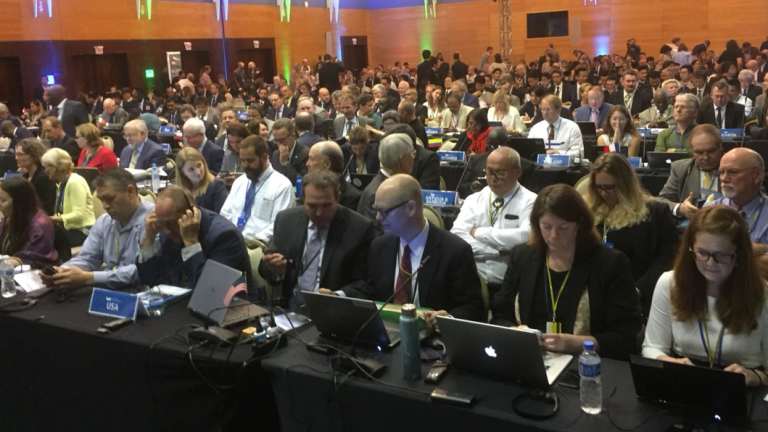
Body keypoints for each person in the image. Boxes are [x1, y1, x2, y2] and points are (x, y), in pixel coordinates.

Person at [492, 184, 642, 360]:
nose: (554, 236)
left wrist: (579, 344)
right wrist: (516, 332)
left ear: (579, 225)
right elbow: (500, 314)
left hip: (588, 363)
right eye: (546, 227)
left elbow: (626, 336)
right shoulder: (523, 256)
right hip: (529, 358)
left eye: (563, 228)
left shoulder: (610, 263)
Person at [643, 206, 768, 386]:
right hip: (684, 383)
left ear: (739, 254)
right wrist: (669, 362)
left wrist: (754, 377)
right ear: (690, 250)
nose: (710, 263)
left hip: (742, 388)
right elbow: (652, 347)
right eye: (702, 253)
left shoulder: (762, 294)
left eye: (721, 255)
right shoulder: (669, 283)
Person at [343, 174, 484, 323]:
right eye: (377, 210)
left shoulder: (455, 251)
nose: (378, 218)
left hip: (434, 340)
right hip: (387, 333)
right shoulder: (380, 246)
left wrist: (446, 319)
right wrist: (339, 295)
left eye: (384, 212)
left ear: (411, 208)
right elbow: (369, 289)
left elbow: (473, 309)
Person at [579, 153, 678, 316]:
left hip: (639, 294)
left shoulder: (655, 212)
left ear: (625, 185)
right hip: (595, 293)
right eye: (599, 187)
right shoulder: (589, 211)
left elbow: (667, 258)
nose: (603, 193)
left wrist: (638, 289)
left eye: (610, 187)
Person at [261, 170, 376, 309]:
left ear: (337, 198)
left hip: (333, 311)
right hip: (291, 309)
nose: (319, 213)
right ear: (302, 200)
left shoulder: (359, 229)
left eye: (326, 205)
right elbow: (266, 270)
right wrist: (274, 269)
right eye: (312, 206)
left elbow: (365, 285)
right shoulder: (286, 220)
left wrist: (338, 296)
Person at [45, 169, 153, 289]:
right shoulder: (104, 221)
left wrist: (90, 277)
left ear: (130, 191)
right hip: (108, 291)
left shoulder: (154, 221)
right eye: (101, 199)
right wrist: (63, 271)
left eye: (110, 199)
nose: (105, 206)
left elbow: (141, 271)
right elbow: (87, 258)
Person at [451, 147, 536, 293]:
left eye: (500, 172)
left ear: (517, 173)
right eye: (489, 172)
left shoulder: (532, 201)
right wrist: (497, 251)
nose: (493, 178)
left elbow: (525, 237)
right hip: (471, 280)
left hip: (510, 285)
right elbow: (457, 237)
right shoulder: (474, 199)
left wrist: (479, 233)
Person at [137, 185, 251, 290]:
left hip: (231, 308)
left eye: (170, 223)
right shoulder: (168, 233)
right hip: (179, 306)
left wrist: (191, 243)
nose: (166, 231)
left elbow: (211, 290)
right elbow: (151, 282)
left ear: (190, 212)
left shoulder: (225, 237)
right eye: (161, 224)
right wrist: (148, 241)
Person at [219, 135, 294, 245]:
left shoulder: (282, 186)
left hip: (259, 247)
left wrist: (249, 242)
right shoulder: (240, 182)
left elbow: (278, 227)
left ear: (264, 157)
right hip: (233, 242)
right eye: (242, 161)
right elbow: (225, 214)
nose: (245, 165)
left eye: (250, 161)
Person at [658, 124, 724, 219]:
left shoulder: (736, 168)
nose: (705, 157)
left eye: (711, 151)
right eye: (699, 153)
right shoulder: (680, 169)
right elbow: (661, 200)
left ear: (721, 148)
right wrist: (680, 208)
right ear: (692, 152)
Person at [706, 147, 768, 244]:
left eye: (733, 172)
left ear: (756, 175)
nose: (724, 179)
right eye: (721, 172)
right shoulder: (709, 210)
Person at [41, 148, 95, 247]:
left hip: (82, 231)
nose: (45, 171)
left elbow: (79, 214)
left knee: (44, 241)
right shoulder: (62, 183)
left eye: (47, 167)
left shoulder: (75, 182)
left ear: (57, 167)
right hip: (70, 229)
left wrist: (56, 218)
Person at [0, 176, 57, 267]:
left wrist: (13, 261)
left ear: (19, 202)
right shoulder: (10, 216)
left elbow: (34, 258)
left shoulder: (40, 225)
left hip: (30, 274)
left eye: (3, 200)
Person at [356, 133, 415, 220]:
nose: (414, 158)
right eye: (412, 154)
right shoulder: (377, 194)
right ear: (402, 159)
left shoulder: (392, 183)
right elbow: (378, 231)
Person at [305, 140, 360, 209]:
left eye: (311, 159)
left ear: (327, 164)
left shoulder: (352, 198)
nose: (307, 164)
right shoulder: (309, 189)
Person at [175, 147, 228, 213]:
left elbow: (221, 218)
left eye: (199, 165)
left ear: (204, 163)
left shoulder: (217, 186)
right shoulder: (179, 191)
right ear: (182, 173)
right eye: (191, 169)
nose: (198, 172)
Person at [15, 138, 56, 215]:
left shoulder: (44, 177)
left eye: (20, 154)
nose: (16, 158)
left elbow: (46, 207)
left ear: (34, 155)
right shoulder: (25, 176)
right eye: (16, 154)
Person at [270, 118, 308, 185]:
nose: (279, 144)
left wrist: (285, 163)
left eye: (282, 140)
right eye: (276, 140)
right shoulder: (275, 154)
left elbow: (301, 182)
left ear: (293, 135)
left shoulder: (305, 153)